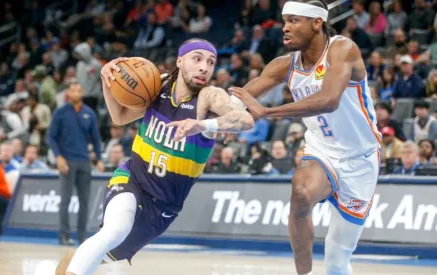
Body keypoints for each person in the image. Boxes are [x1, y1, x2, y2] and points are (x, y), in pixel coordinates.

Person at [53, 38, 254, 275]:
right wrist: (108, 80)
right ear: (180, 61)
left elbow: (246, 120)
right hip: (132, 179)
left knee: (99, 253)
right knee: (114, 231)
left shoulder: (209, 96)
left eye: (210, 62)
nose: (204, 67)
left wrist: (202, 124)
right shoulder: (156, 85)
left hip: (162, 206)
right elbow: (119, 117)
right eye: (197, 59)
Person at [229, 1, 381, 275]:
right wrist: (216, 119)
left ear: (316, 23)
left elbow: (329, 99)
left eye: (294, 20)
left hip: (361, 158)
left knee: (336, 263)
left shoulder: (342, 49)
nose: (285, 27)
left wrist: (268, 112)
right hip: (322, 151)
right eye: (284, 20)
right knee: (300, 193)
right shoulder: (284, 65)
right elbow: (239, 99)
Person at [48, 79, 104, 246]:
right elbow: (51, 136)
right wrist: (58, 157)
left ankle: (82, 236)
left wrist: (99, 158)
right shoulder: (61, 112)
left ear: (82, 93)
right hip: (67, 162)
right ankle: (64, 235)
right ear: (68, 94)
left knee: (84, 201)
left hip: (84, 161)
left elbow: (95, 137)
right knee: (65, 200)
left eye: (79, 91)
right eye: (73, 91)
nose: (76, 94)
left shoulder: (89, 113)